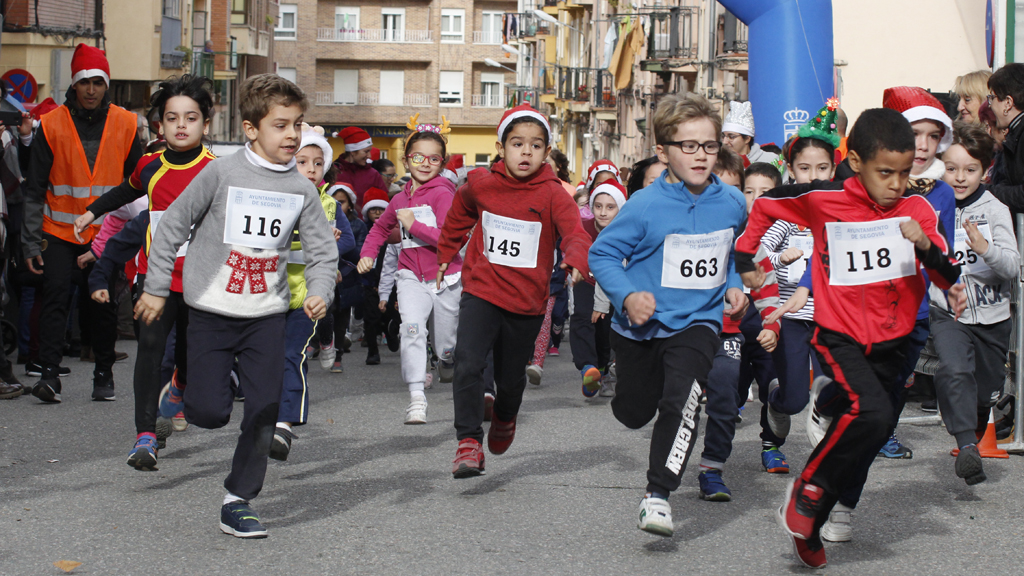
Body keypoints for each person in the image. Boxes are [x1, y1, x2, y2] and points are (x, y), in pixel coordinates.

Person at [736, 108, 963, 569]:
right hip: (837, 333)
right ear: (856, 162)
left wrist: (925, 248)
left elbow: (945, 272)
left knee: (872, 429)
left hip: (893, 340)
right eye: (885, 173)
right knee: (872, 412)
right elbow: (764, 207)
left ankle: (809, 525)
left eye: (903, 174)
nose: (896, 185)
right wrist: (745, 259)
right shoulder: (824, 198)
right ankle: (807, 491)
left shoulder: (916, 209)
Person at [136, 74, 338, 538]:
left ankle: (238, 499)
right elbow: (172, 227)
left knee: (266, 407)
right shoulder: (221, 173)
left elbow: (324, 252)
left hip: (266, 314)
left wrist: (320, 288)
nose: (293, 136)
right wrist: (156, 286)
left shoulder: (301, 189)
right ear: (251, 129)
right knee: (209, 414)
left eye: (298, 125)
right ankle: (185, 389)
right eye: (282, 125)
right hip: (210, 310)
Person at [589, 93, 750, 538]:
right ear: (663, 151)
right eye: (688, 146)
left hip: (699, 322)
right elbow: (602, 254)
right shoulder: (643, 205)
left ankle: (657, 494)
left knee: (684, 402)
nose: (700, 155)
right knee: (635, 412)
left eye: (710, 145)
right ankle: (630, 394)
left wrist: (734, 283)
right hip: (641, 328)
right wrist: (627, 297)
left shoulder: (733, 202)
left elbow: (732, 251)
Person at [437, 104, 591, 478]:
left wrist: (574, 259)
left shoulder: (554, 193)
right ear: (501, 147)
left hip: (526, 301)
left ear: (546, 152)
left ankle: (506, 414)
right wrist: (445, 253)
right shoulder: (480, 184)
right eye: (518, 143)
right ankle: (468, 441)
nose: (526, 152)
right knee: (468, 362)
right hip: (482, 288)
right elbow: (460, 213)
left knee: (510, 379)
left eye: (536, 145)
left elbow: (574, 232)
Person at [73, 75, 217, 468]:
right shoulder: (150, 166)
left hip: (203, 282)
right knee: (149, 351)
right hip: (156, 282)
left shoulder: (218, 171)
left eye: (191, 117)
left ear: (206, 123)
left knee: (189, 355)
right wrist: (93, 210)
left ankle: (181, 384)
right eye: (172, 118)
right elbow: (126, 190)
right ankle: (145, 437)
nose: (182, 125)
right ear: (161, 125)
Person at [22, 43, 144, 403]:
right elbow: (34, 189)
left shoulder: (125, 122)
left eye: (98, 82)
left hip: (105, 233)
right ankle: (48, 375)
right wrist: (30, 242)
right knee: (56, 296)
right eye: (84, 82)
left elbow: (137, 183)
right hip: (57, 230)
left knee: (101, 304)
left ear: (107, 85)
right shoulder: (51, 124)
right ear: (73, 85)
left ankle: (103, 373)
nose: (91, 89)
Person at [357, 116, 462, 425]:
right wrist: (367, 254)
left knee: (445, 343)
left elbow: (449, 239)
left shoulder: (444, 194)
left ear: (442, 163)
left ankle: (445, 358)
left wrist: (413, 225)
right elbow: (378, 230)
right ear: (406, 160)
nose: (425, 163)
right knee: (411, 331)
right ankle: (417, 398)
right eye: (418, 157)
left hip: (445, 277)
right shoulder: (400, 198)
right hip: (409, 277)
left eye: (433, 158)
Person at [932, 122, 1019, 485]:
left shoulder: (995, 209)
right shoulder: (931, 206)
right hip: (949, 311)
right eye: (951, 169)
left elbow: (1012, 265)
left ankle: (978, 418)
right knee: (953, 369)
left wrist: (985, 249)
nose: (959, 177)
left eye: (970, 170)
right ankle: (967, 446)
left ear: (985, 171)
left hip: (994, 316)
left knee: (985, 391)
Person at [758, 101, 839, 471]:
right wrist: (781, 259)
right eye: (804, 168)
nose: (814, 175)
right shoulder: (784, 212)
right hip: (790, 316)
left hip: (831, 318)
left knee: (831, 389)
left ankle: (826, 456)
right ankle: (774, 408)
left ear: (834, 168)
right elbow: (758, 259)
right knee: (793, 399)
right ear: (790, 171)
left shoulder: (841, 212)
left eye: (822, 167)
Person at [271, 124, 355, 461]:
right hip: (269, 292)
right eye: (302, 161)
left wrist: (330, 240)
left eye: (317, 164)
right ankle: (262, 415)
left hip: (308, 296)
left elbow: (349, 242)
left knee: (293, 355)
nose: (310, 169)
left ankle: (284, 424)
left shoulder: (330, 206)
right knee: (263, 359)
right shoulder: (272, 196)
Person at [570, 160, 622, 395]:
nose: (603, 212)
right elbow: (572, 244)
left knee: (604, 329)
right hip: (586, 279)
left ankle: (601, 369)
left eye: (610, 207)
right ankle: (587, 368)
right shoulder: (583, 225)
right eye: (598, 205)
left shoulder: (624, 230)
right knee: (581, 317)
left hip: (612, 284)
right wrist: (573, 263)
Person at [986, 63, 1024, 211]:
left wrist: (986, 192)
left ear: (1008, 103)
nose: (990, 105)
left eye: (992, 98)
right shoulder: (1016, 133)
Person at [333, 126, 386, 211]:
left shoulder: (373, 174)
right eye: (366, 151)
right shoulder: (333, 172)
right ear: (352, 151)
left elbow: (384, 202)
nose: (369, 156)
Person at [722, 100, 780, 166]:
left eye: (731, 137)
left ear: (747, 139)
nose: (725, 142)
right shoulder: (719, 162)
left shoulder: (771, 160)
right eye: (723, 136)